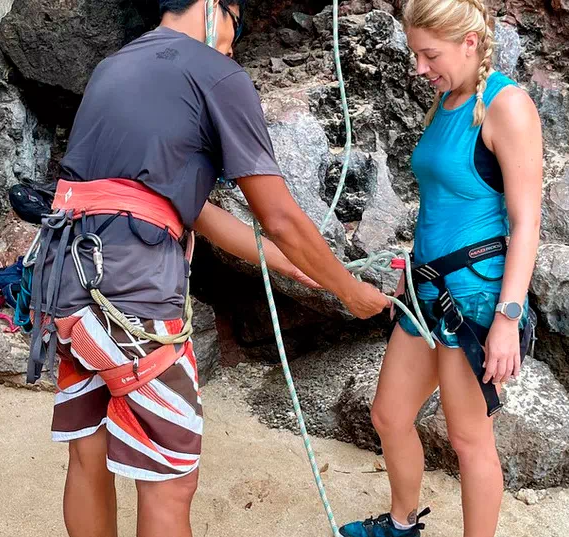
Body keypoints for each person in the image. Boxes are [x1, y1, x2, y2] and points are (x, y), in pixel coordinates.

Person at [26, 1, 390, 536]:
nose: (233, 43)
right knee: (171, 483)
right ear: (212, 5)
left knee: (89, 455)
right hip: (133, 287)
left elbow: (176, 204)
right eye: (235, 25)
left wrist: (285, 263)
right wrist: (348, 290)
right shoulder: (215, 73)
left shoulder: (115, 67)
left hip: (65, 276)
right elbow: (281, 215)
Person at [338, 0, 543, 536]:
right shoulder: (451, 100)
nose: (420, 68)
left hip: (475, 301)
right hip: (426, 291)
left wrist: (507, 317)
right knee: (388, 414)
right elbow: (443, 202)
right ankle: (402, 525)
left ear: (469, 42)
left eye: (430, 54)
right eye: (416, 55)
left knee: (469, 440)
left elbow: (526, 222)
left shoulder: (508, 105)